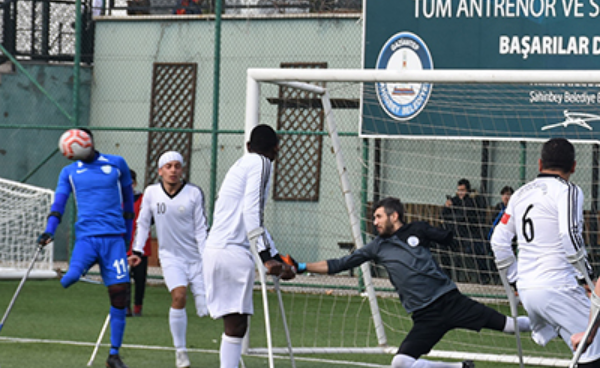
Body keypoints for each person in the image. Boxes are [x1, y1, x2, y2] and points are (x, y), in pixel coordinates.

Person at [286, 197, 530, 368]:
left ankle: (559, 326)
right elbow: (338, 264)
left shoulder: (418, 230)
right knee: (400, 363)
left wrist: (461, 236)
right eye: (374, 217)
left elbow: (451, 238)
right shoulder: (376, 247)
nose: (375, 221)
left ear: (395, 216)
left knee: (511, 326)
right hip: (425, 317)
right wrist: (301, 267)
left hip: (451, 301)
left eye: (379, 216)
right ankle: (459, 367)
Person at [491, 138, 600, 367]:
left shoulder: (519, 195)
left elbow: (499, 241)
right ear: (574, 167)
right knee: (594, 345)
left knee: (582, 344)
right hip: (558, 286)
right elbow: (570, 236)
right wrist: (586, 279)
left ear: (539, 164)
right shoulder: (568, 191)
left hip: (529, 289)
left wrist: (514, 280)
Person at [37, 128, 134, 368]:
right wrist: (50, 229)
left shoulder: (116, 163)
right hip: (87, 239)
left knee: (120, 295)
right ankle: (81, 275)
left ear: (89, 142)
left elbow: (129, 202)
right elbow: (59, 202)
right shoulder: (69, 172)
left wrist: (128, 240)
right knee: (68, 279)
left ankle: (114, 355)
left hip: (114, 240)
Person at [203, 124, 295, 368]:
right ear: (276, 148)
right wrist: (267, 258)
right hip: (233, 250)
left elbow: (254, 220)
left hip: (214, 249)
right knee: (236, 326)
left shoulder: (240, 165)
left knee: (234, 324)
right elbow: (252, 213)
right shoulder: (262, 164)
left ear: (248, 146)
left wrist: (277, 256)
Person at [129, 151, 207, 368]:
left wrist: (207, 257)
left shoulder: (194, 193)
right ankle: (180, 352)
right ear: (160, 171)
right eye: (169, 166)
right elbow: (143, 223)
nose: (173, 170)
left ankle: (233, 351)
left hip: (197, 259)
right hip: (171, 257)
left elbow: (201, 228)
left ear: (182, 170)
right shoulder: (152, 193)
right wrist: (136, 251)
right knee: (179, 296)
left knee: (207, 310)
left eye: (177, 166)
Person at [441, 178, 488, 283]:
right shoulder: (454, 200)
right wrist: (446, 207)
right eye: (459, 190)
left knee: (475, 247)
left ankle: (483, 277)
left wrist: (451, 215)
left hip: (468, 234)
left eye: (462, 190)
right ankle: (447, 276)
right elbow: (443, 215)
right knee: (442, 245)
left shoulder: (471, 201)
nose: (460, 192)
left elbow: (463, 217)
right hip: (454, 234)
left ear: (467, 190)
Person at [126, 169, 151, 317]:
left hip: (141, 247)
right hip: (123, 245)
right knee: (123, 278)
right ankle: (125, 306)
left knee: (140, 279)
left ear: (134, 183)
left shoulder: (143, 200)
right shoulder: (117, 200)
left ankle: (138, 306)